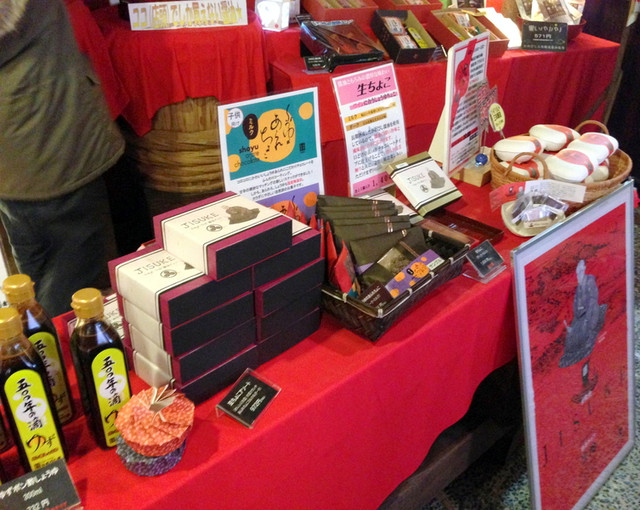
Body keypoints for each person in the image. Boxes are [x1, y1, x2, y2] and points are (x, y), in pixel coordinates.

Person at [0, 0, 124, 316]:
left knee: (33, 278)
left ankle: (35, 340)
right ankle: (54, 345)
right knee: (75, 290)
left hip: (20, 149)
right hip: (50, 136)